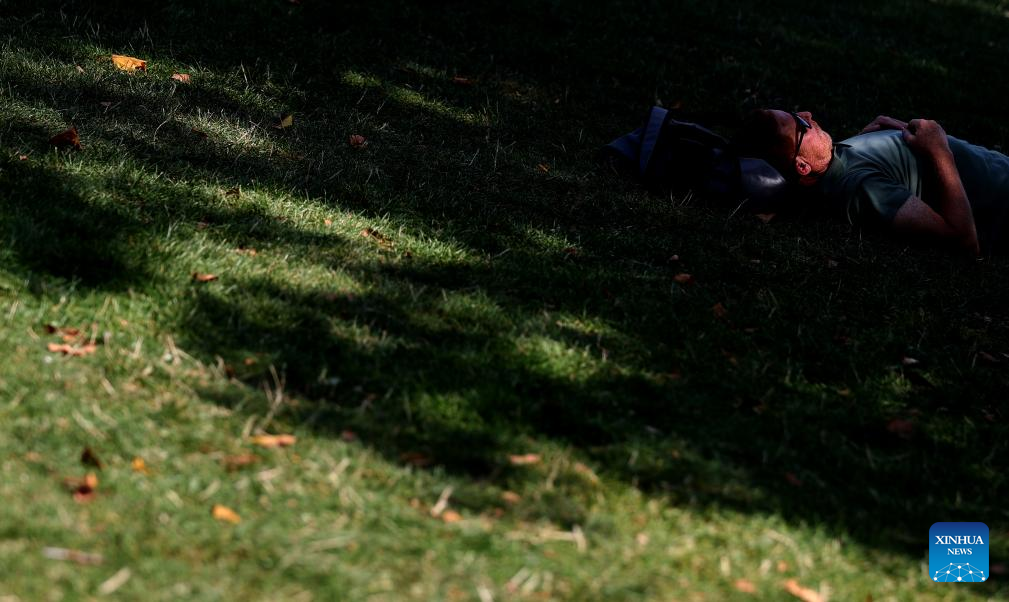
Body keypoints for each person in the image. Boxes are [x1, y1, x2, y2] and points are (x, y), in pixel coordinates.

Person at [736, 109, 1009, 256]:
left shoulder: (833, 163)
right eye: (800, 124)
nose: (807, 114)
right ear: (802, 166)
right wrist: (939, 150)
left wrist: (888, 141)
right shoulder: (859, 187)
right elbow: (962, 239)